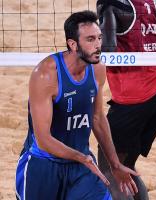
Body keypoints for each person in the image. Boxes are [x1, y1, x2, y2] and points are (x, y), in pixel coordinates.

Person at [15, 10, 139, 200]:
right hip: (44, 164)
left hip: (82, 165)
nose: (98, 45)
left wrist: (115, 164)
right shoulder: (46, 74)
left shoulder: (98, 68)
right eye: (90, 39)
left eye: (99, 38)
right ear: (72, 44)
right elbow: (43, 139)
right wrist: (82, 158)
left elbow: (97, 117)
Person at [96, 0, 156, 199]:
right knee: (127, 166)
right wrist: (151, 59)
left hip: (134, 97)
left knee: (110, 169)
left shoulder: (110, 4)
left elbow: (108, 52)